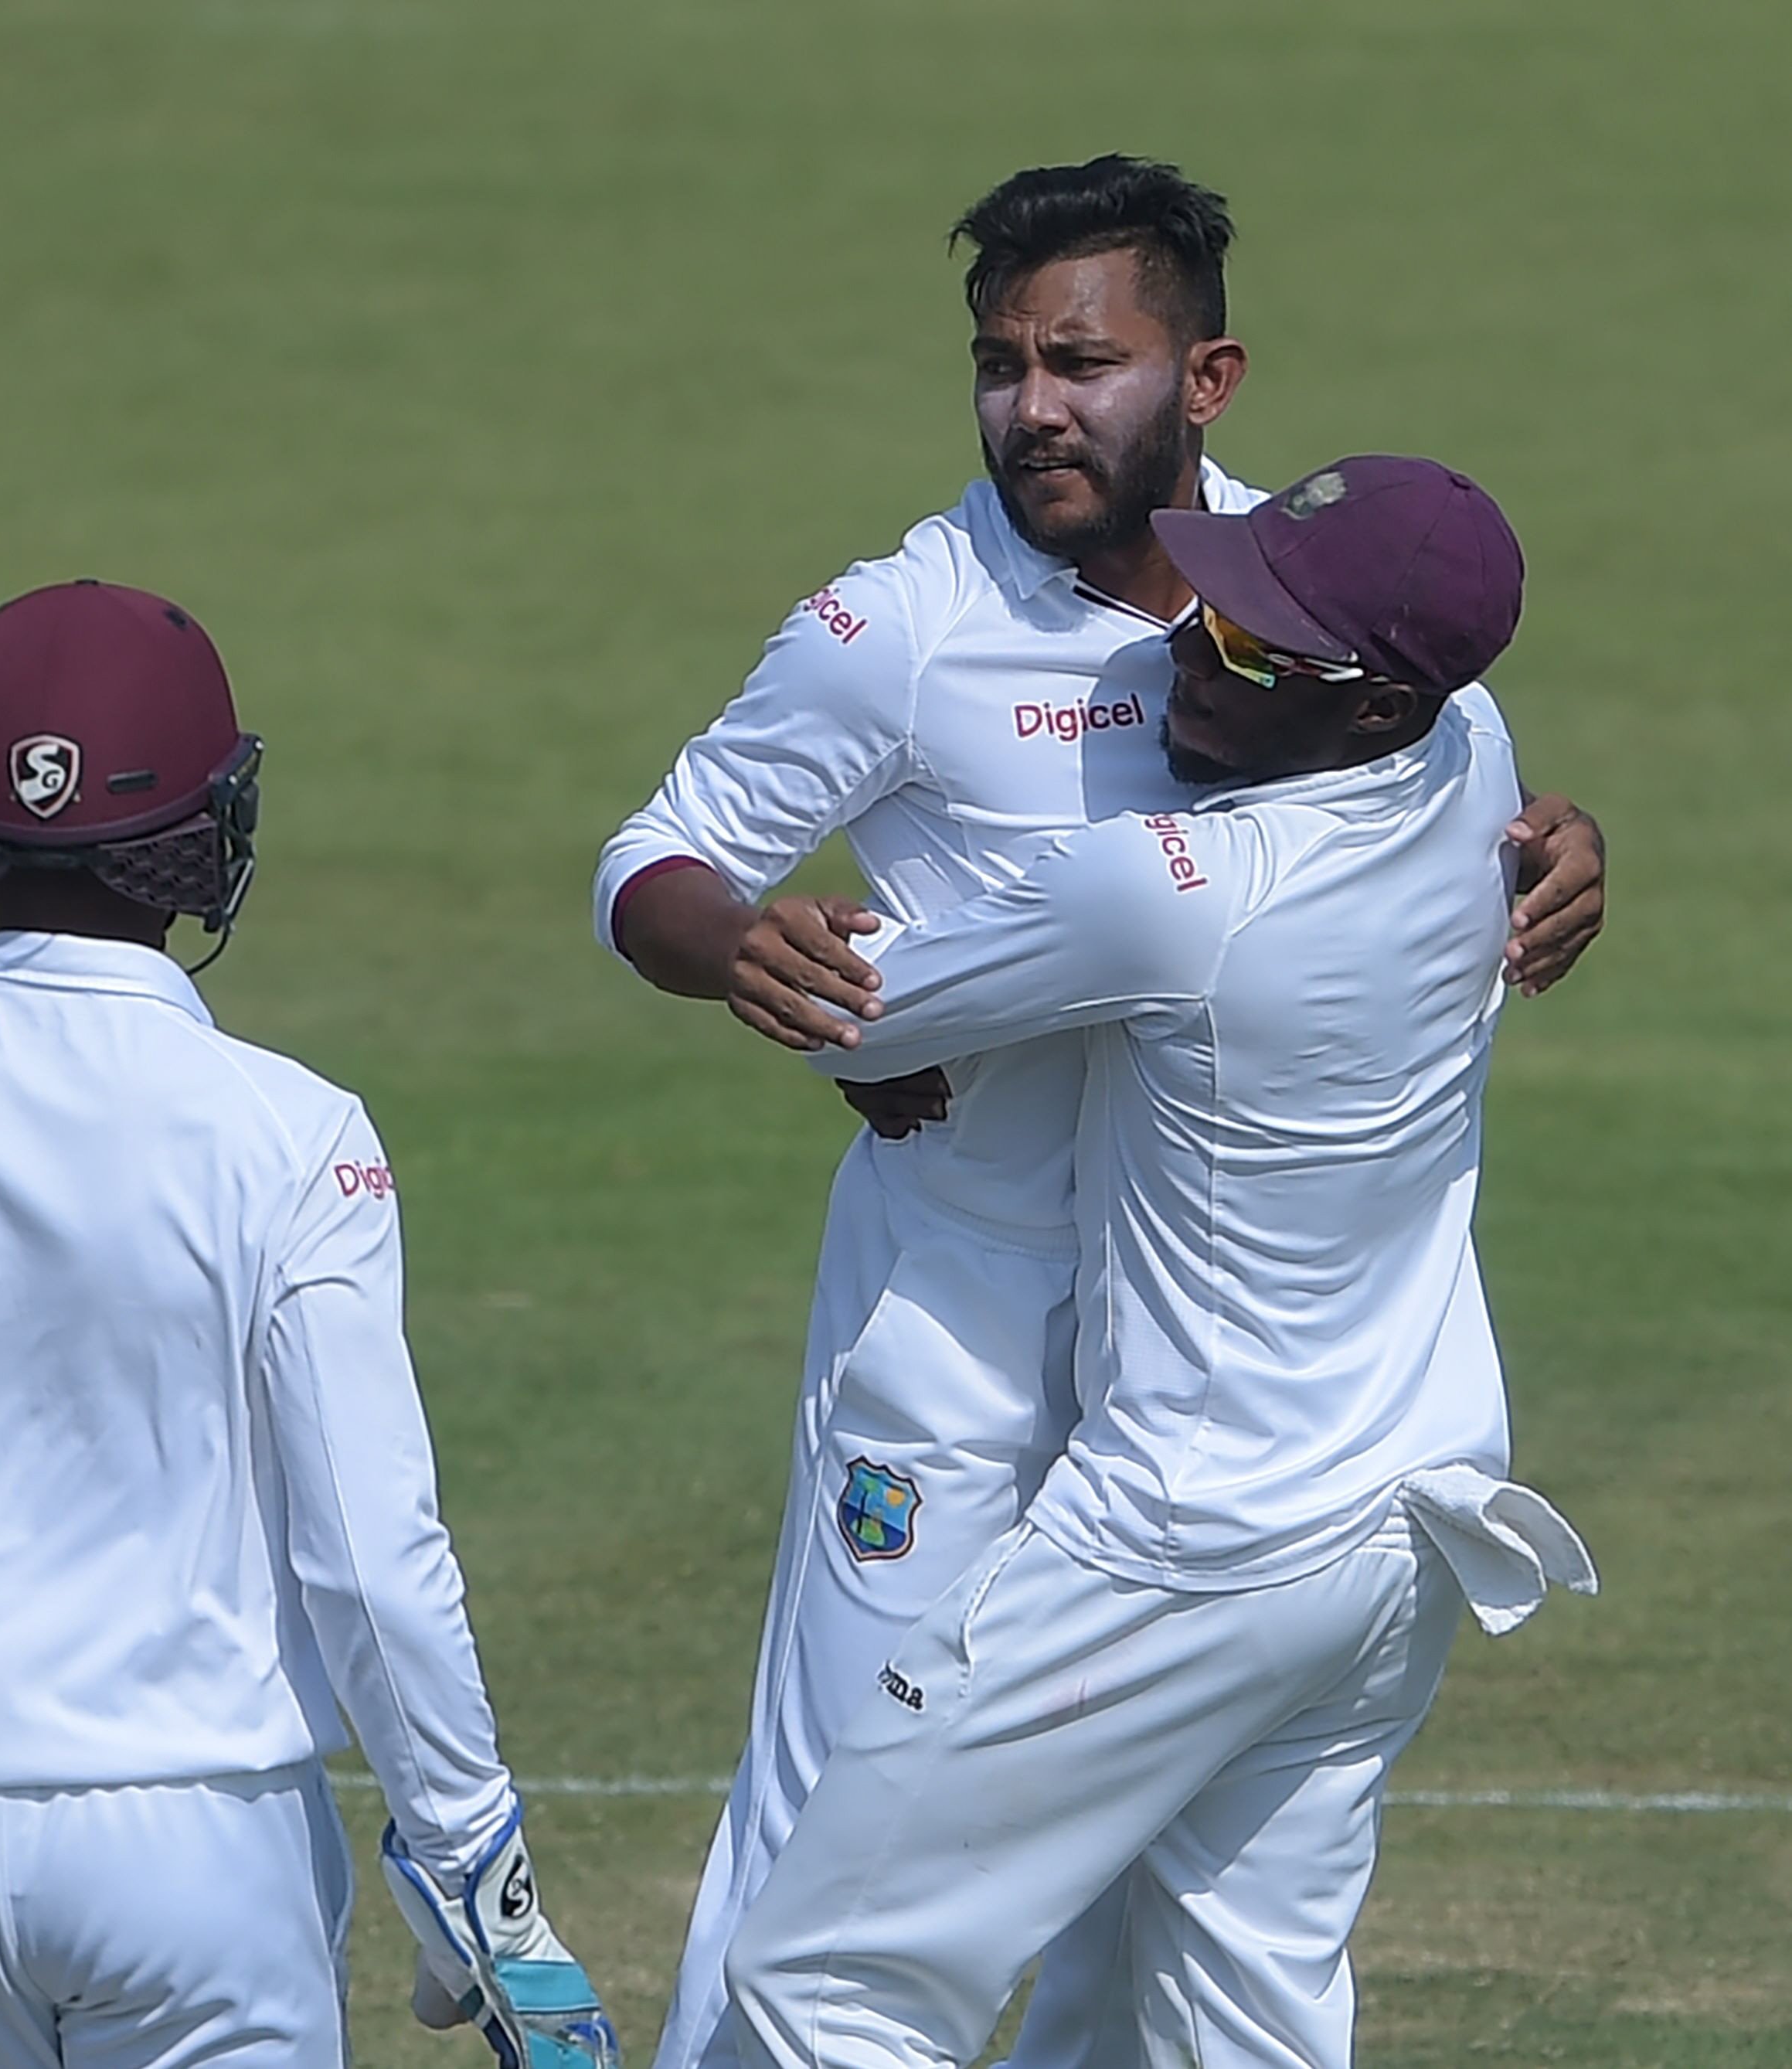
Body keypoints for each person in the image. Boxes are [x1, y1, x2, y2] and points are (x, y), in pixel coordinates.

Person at [593, 160, 1606, 2067]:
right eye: (997, 365)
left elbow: (1447, 779)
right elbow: (648, 857)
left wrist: (1561, 847)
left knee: (1138, 1945)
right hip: (956, 1335)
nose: (1030, 409)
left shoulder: (1312, 597)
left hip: (1193, 1407)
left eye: (1079, 361)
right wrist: (732, 940)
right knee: (831, 1827)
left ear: (1203, 377)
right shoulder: (895, 625)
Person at [0, 580, 619, 2069]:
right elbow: (373, 1562)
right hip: (204, 1842)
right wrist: (483, 1881)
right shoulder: (297, 1135)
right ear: (207, 838)